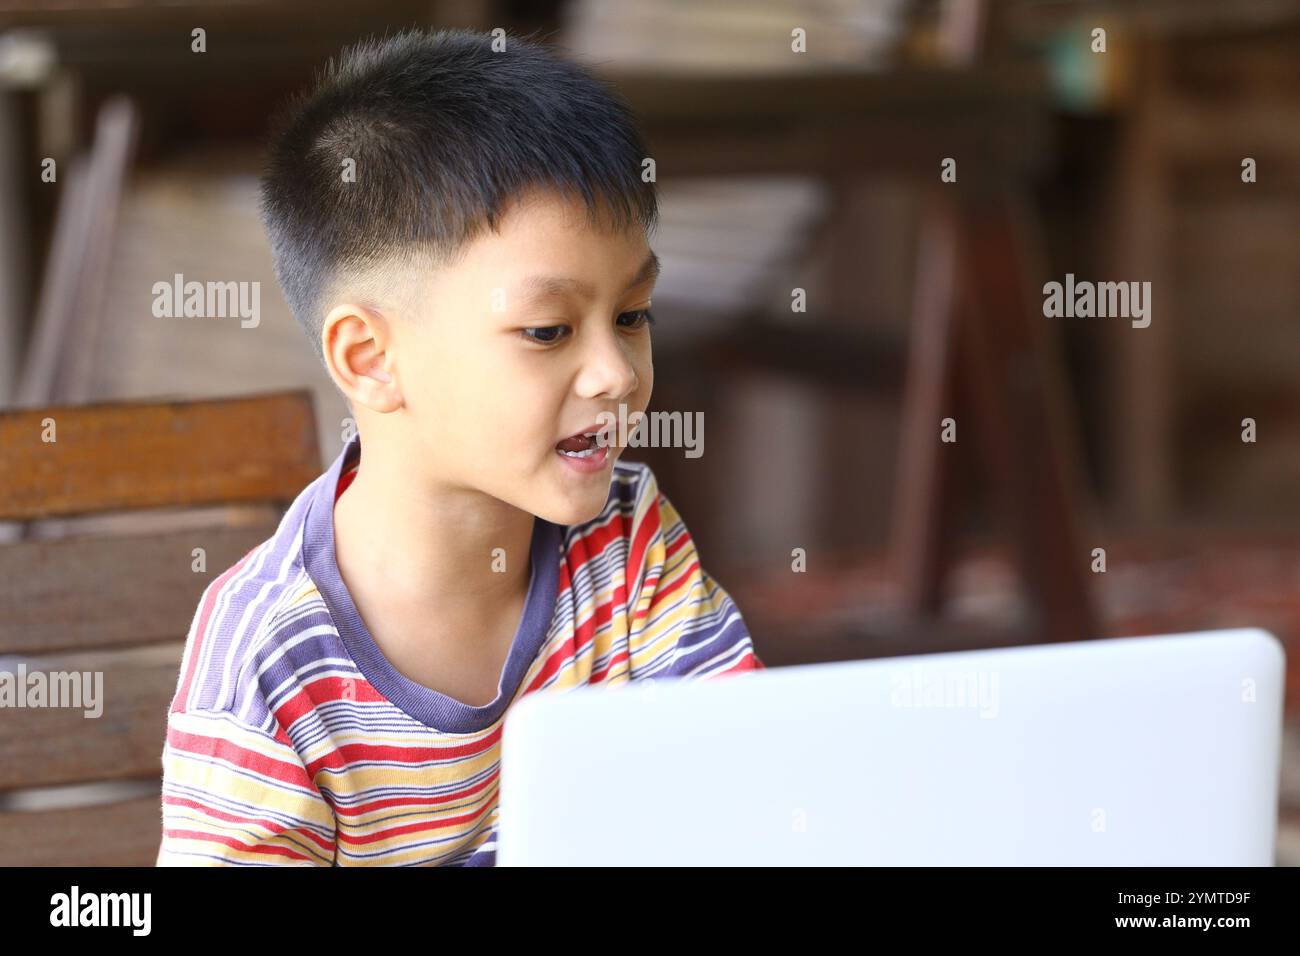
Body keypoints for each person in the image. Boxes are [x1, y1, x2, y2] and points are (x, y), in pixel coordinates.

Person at [157, 27, 764, 866]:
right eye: (549, 330)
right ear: (372, 360)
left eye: (631, 315)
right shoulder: (269, 661)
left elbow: (743, 781)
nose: (616, 373)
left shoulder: (626, 543)